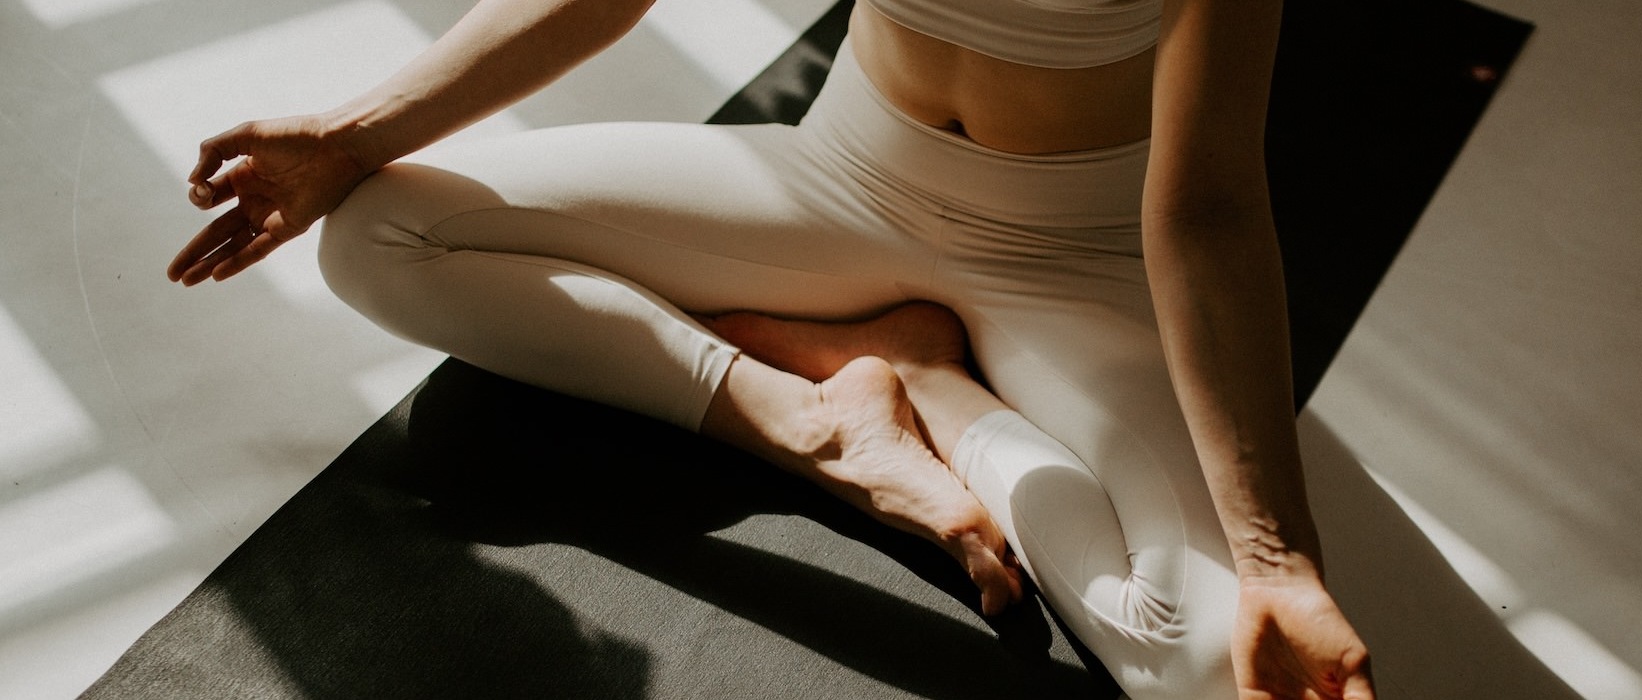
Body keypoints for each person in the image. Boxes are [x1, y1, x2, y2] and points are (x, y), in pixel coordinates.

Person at [166, 0, 1377, 697]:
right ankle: (807, 420)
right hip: (845, 177)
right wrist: (352, 134)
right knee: (378, 235)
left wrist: (1277, 561)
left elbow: (1211, 204)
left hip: (1070, 251)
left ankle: (935, 385)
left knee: (1208, 664)